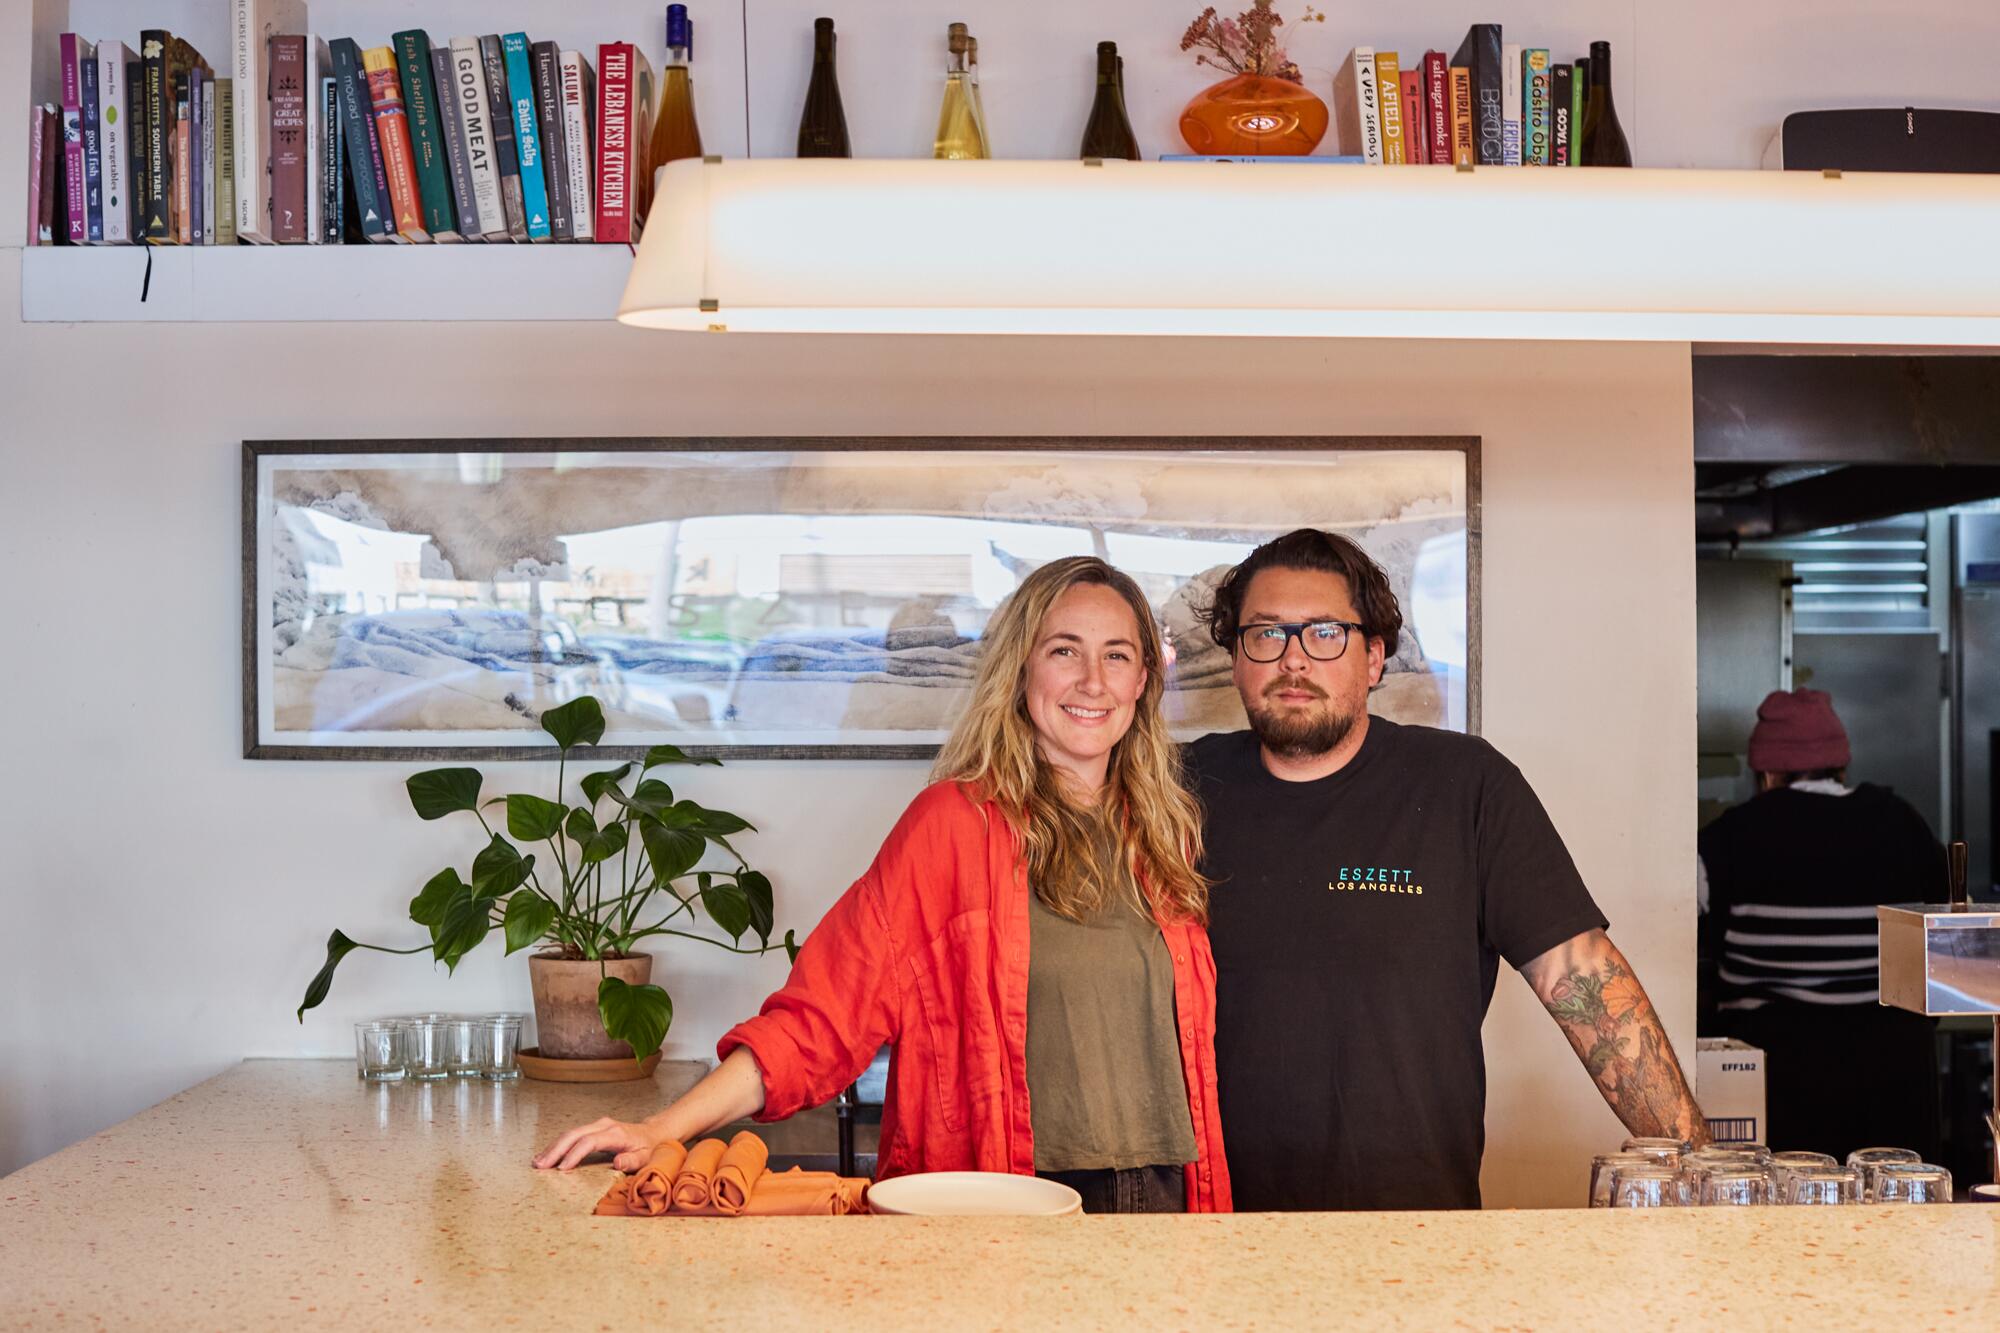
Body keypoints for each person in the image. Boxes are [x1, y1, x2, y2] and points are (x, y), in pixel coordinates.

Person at [535, 556, 1231, 1214]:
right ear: (1022, 670)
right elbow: (822, 1017)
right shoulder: (953, 825)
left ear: (1143, 679)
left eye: (1116, 654)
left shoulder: (1163, 833)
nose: (1092, 680)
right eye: (1063, 650)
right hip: (1006, 1199)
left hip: (1162, 1195)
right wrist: (663, 1125)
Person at [1184, 528, 1707, 1211]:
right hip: (1207, 1226)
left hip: (1417, 1223)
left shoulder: (1465, 784)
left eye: (1324, 633)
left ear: (1374, 657)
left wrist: (1702, 1172)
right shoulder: (1179, 788)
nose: (1293, 659)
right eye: (1266, 634)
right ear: (1235, 659)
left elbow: (1578, 974)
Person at [1698, 687, 1947, 1161]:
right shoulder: (1902, 822)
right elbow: (1945, 924)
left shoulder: (1731, 834)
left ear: (1766, 773)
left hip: (1778, 1075)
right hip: (1894, 1075)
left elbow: (1675, 920)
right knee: (1894, 1218)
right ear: (1841, 767)